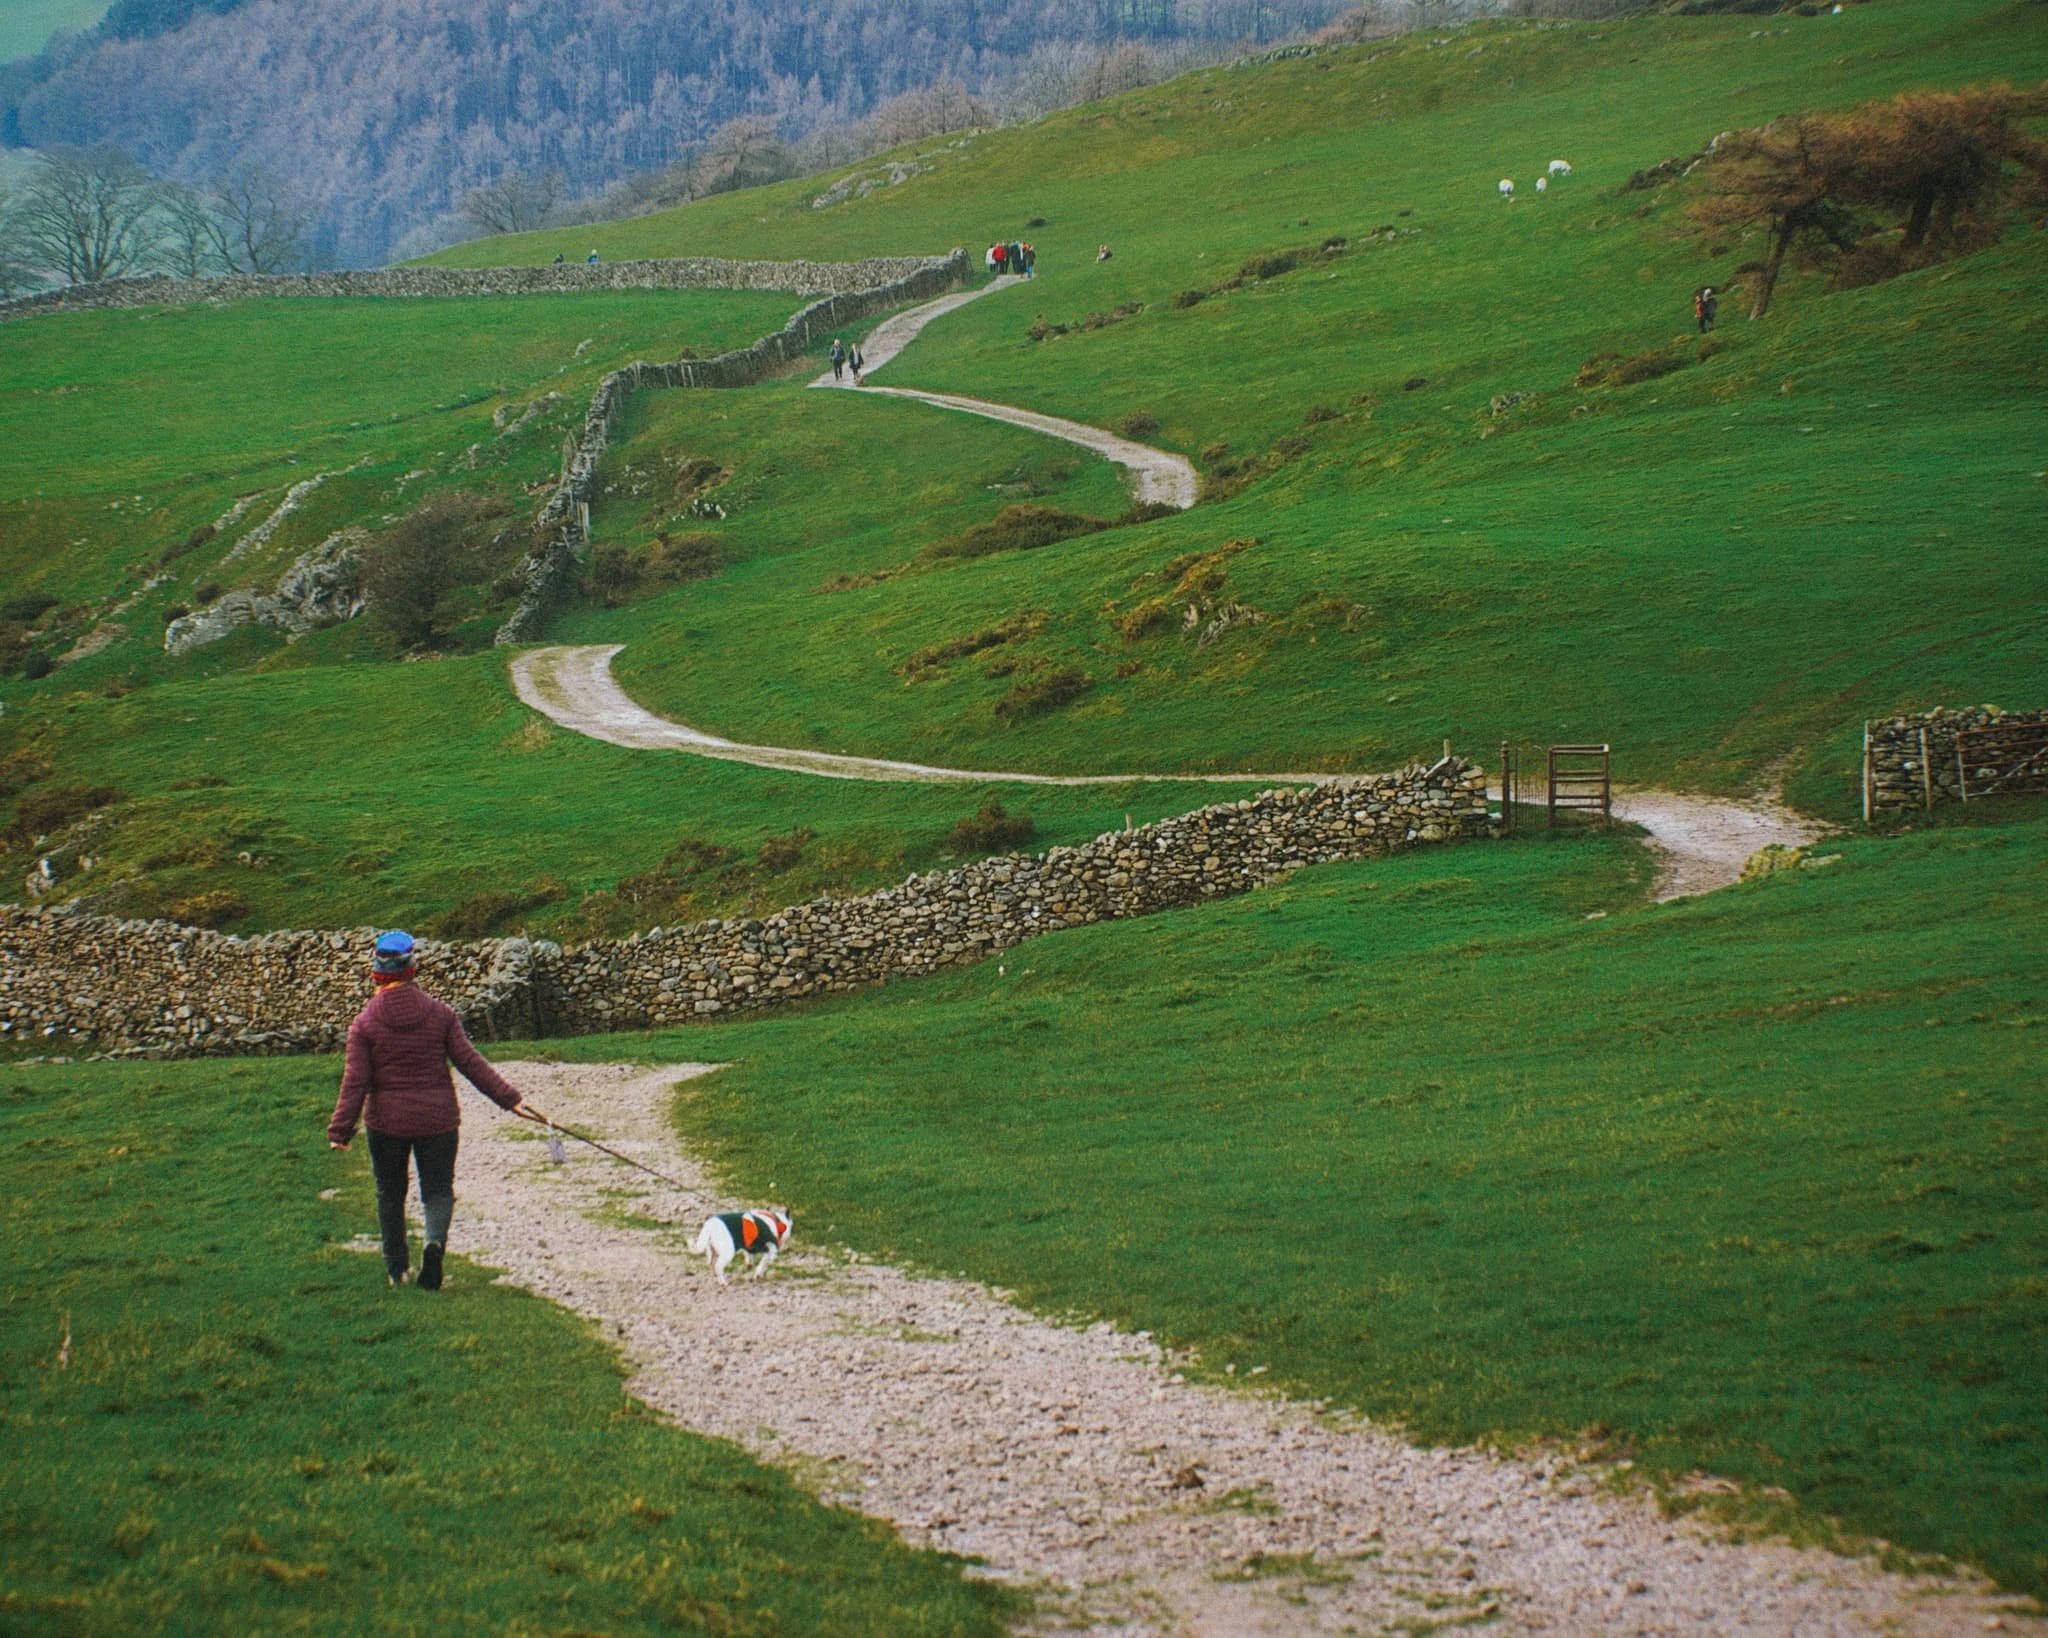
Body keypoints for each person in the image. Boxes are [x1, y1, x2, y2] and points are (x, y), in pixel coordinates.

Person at [327, 931, 529, 1290]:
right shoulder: (441, 1015)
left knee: (390, 1193)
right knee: (438, 1190)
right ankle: (434, 1244)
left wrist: (341, 1130)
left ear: (376, 973)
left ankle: (397, 1270)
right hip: (438, 1119)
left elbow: (355, 1081)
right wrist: (510, 1099)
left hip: (386, 1122)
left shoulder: (364, 1024)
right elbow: (470, 1062)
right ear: (412, 969)